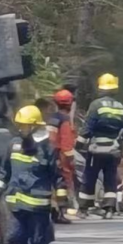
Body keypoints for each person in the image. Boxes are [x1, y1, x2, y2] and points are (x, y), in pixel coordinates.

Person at [0, 105, 67, 244]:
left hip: (38, 206)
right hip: (16, 204)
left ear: (33, 126)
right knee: (14, 238)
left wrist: (62, 200)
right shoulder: (14, 145)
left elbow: (58, 176)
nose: (20, 128)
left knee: (39, 240)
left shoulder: (48, 148)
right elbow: (4, 171)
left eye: (24, 125)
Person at [78, 72, 123, 218]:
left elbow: (87, 128)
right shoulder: (121, 107)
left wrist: (78, 145)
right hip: (113, 150)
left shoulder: (96, 105)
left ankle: (84, 208)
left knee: (89, 177)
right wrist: (121, 148)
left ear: (100, 88)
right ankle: (109, 208)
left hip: (96, 150)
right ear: (114, 89)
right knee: (110, 178)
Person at [48, 89, 79, 223]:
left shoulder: (52, 119)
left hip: (48, 154)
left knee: (51, 185)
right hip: (60, 157)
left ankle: (53, 211)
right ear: (70, 104)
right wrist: (71, 161)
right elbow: (66, 144)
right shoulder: (65, 121)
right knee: (62, 185)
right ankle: (61, 212)